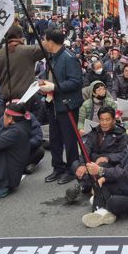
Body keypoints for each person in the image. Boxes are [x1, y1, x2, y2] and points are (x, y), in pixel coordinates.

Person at [39, 28, 84, 185]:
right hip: (52, 104)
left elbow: (76, 81)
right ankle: (57, 167)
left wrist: (54, 87)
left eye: (44, 39)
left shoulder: (69, 57)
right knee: (54, 138)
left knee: (69, 139)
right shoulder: (52, 57)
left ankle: (72, 169)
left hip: (67, 105)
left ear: (51, 42)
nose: (43, 42)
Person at [66, 105, 128, 204]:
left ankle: (83, 186)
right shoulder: (94, 131)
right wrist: (83, 165)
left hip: (109, 163)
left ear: (113, 120)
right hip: (92, 160)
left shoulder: (121, 134)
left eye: (107, 119)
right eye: (102, 120)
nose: (104, 123)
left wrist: (108, 158)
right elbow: (86, 149)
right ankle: (90, 186)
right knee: (74, 164)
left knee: (100, 167)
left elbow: (125, 153)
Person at [0, 26, 44, 101]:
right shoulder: (27, 50)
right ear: (21, 36)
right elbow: (46, 50)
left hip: (6, 94)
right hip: (25, 95)